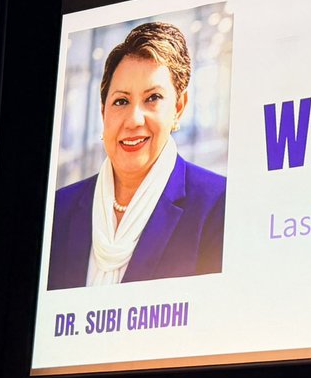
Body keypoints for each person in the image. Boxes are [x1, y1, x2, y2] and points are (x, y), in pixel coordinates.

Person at [47, 22, 226, 289]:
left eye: (152, 98)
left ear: (178, 107)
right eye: (121, 101)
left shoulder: (217, 204)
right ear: (103, 111)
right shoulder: (59, 209)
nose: (133, 119)